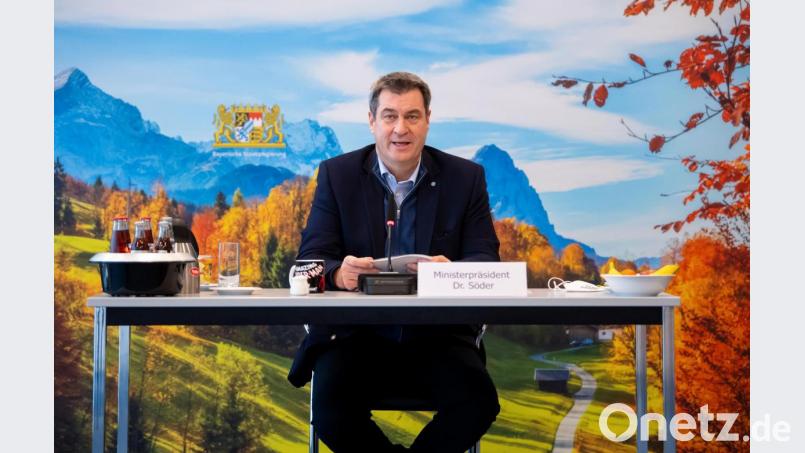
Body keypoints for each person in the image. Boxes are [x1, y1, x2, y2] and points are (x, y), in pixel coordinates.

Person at [288, 72, 501, 453]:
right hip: (355, 337)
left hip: (439, 337)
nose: (400, 129)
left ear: (428, 120)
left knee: (478, 401)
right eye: (389, 116)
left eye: (412, 116)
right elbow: (310, 262)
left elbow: (485, 260)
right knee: (331, 411)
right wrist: (339, 273)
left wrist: (450, 274)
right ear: (372, 121)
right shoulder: (338, 175)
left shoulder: (465, 178)